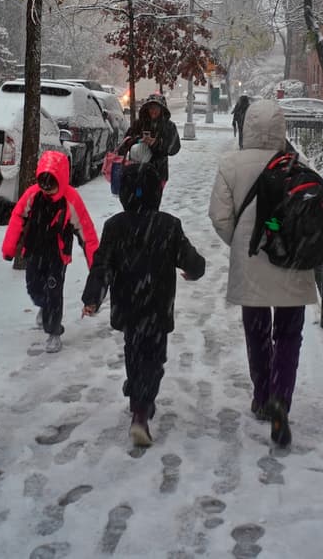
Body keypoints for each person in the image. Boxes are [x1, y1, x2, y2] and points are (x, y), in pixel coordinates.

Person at [207, 98, 315, 449]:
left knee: (257, 333)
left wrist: (241, 243)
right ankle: (281, 399)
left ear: (247, 125)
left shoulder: (231, 165)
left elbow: (219, 217)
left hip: (252, 260)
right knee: (289, 334)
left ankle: (262, 394)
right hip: (292, 260)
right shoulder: (296, 164)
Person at [82, 161, 205, 447]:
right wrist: (195, 270)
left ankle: (136, 390)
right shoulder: (168, 226)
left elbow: (102, 266)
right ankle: (141, 408)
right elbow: (190, 259)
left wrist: (93, 297)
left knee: (134, 350)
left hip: (128, 304)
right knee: (154, 359)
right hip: (157, 305)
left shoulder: (115, 226)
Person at [1, 150, 99, 353]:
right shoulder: (33, 194)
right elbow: (18, 216)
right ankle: (43, 306)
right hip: (34, 252)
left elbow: (87, 233)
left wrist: (95, 265)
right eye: (43, 185)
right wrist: (10, 247)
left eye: (51, 186)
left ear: (61, 181)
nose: (47, 190)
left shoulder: (71, 200)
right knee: (34, 288)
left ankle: (53, 331)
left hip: (57, 256)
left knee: (54, 292)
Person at [116, 93, 181, 187]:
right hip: (135, 171)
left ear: (162, 109)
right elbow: (126, 142)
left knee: (151, 196)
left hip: (158, 173)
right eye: (151, 108)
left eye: (156, 108)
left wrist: (156, 144)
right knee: (134, 195)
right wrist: (138, 140)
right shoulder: (139, 123)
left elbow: (174, 148)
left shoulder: (169, 126)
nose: (153, 111)